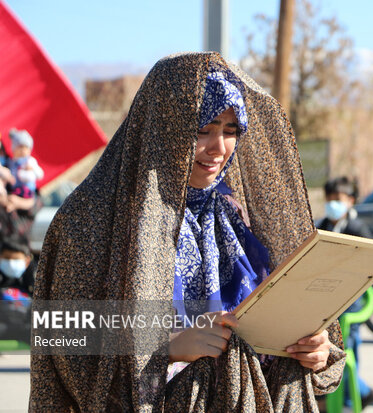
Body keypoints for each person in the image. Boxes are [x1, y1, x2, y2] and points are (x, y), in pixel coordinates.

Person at [30, 52, 345, 411]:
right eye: (203, 129)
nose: (219, 147)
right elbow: (60, 331)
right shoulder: (94, 215)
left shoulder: (233, 215)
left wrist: (310, 348)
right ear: (165, 129)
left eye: (231, 131)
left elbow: (269, 314)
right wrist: (167, 346)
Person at [316, 176, 373, 408]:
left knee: (348, 349)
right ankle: (354, 394)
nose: (333, 204)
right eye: (330, 200)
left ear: (350, 201)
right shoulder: (323, 225)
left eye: (338, 200)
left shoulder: (358, 228)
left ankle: (359, 393)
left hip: (351, 303)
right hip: (328, 301)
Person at [6, 128, 43, 213]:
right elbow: (12, 173)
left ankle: (15, 204)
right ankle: (13, 205)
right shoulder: (12, 162)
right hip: (16, 189)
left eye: (25, 148)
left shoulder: (30, 161)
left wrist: (32, 168)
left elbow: (40, 174)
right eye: (20, 147)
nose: (23, 151)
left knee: (25, 200)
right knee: (12, 197)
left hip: (27, 189)